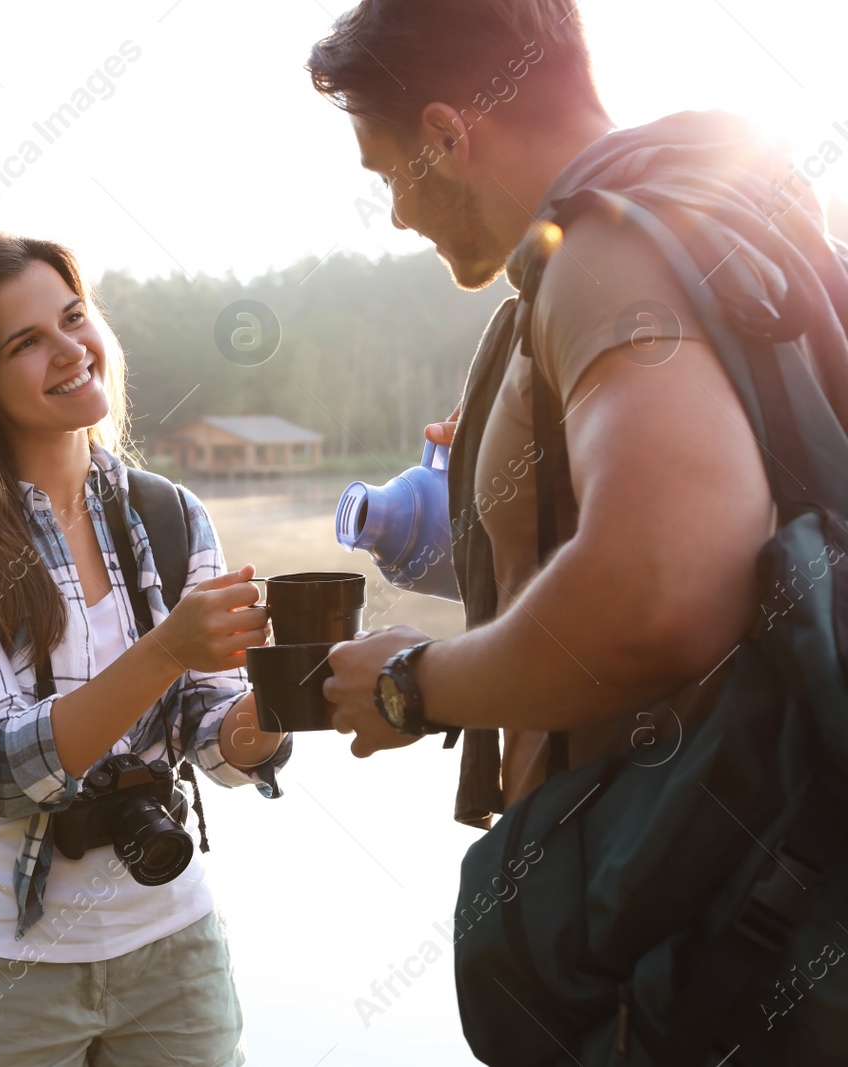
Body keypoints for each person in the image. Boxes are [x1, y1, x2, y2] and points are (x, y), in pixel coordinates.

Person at [306, 0, 848, 817]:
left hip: (677, 888)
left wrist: (409, 682)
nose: (399, 215)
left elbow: (659, 593)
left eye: (390, 175)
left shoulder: (607, 253)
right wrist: (513, 513)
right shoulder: (732, 221)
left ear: (449, 138)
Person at [0, 229, 291, 1066]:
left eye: (75, 319)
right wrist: (167, 650)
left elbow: (210, 731)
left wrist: (282, 706)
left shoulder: (171, 515)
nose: (71, 350)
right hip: (5, 968)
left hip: (174, 947)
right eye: (26, 342)